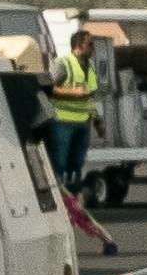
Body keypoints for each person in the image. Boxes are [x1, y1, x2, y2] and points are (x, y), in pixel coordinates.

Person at [38, 20, 102, 211]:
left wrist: (97, 120)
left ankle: (71, 201)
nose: (93, 48)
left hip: (82, 125)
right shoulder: (64, 63)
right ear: (78, 46)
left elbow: (89, 97)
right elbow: (48, 87)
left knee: (76, 166)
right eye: (90, 44)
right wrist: (72, 93)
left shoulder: (89, 68)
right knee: (59, 164)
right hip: (62, 122)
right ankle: (56, 202)